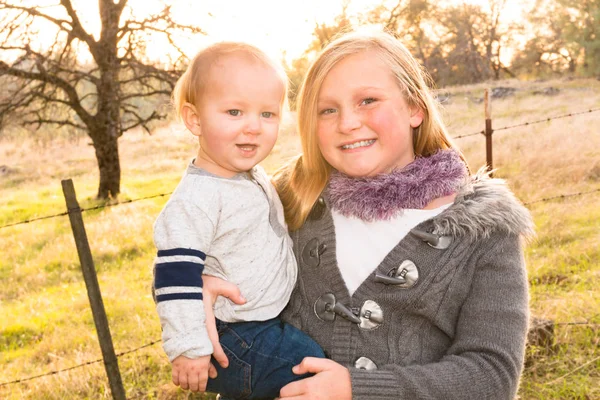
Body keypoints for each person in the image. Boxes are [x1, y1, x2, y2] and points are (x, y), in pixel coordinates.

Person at [201, 28, 534, 400]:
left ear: (414, 107)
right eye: (328, 110)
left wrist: (356, 388)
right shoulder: (287, 199)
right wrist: (199, 282)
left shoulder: (484, 230)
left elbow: (492, 374)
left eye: (368, 100)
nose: (347, 123)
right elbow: (183, 253)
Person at [152, 42, 324, 400]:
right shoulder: (197, 199)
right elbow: (173, 278)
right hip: (233, 334)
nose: (253, 128)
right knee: (310, 367)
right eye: (234, 112)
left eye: (267, 114)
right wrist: (189, 347)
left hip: (260, 322)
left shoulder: (248, 174)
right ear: (194, 119)